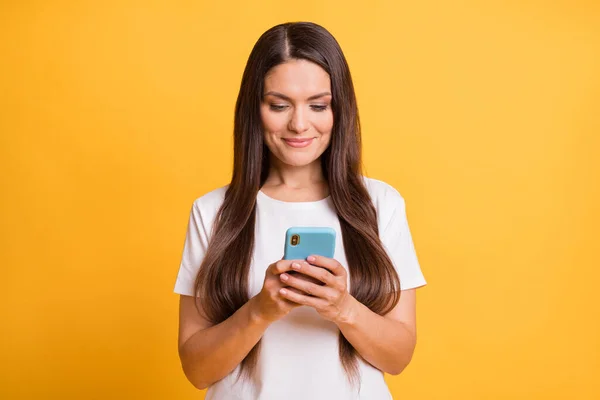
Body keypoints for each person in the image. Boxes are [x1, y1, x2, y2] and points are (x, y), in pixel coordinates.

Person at [173, 21, 427, 400]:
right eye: (279, 105)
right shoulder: (213, 212)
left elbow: (398, 357)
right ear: (254, 109)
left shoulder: (380, 205)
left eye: (318, 105)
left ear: (339, 109)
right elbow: (196, 370)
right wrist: (260, 310)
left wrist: (343, 308)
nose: (299, 124)